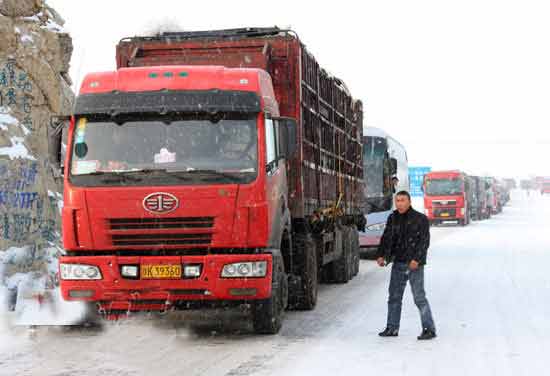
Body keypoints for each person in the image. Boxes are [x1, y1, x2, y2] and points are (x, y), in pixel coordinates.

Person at [376, 190, 436, 340]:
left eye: (403, 200)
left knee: (419, 297)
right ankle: (392, 327)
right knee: (394, 297)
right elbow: (386, 238)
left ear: (409, 202)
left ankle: (429, 329)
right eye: (397, 201)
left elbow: (424, 242)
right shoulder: (393, 218)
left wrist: (417, 259)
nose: (400, 203)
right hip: (398, 263)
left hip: (414, 264)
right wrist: (381, 255)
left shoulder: (420, 219)